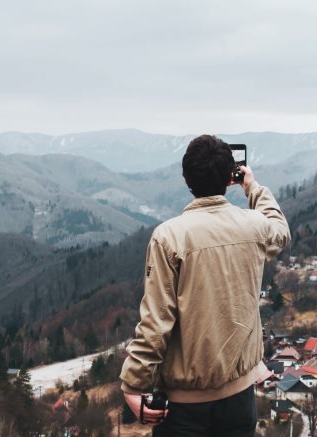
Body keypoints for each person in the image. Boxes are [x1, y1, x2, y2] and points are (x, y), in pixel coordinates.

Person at [120, 134, 291, 436]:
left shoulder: (169, 237)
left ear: (186, 178)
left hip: (184, 407)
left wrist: (134, 384)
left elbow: (156, 320)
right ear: (229, 178)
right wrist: (251, 185)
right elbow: (280, 230)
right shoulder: (253, 225)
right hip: (240, 400)